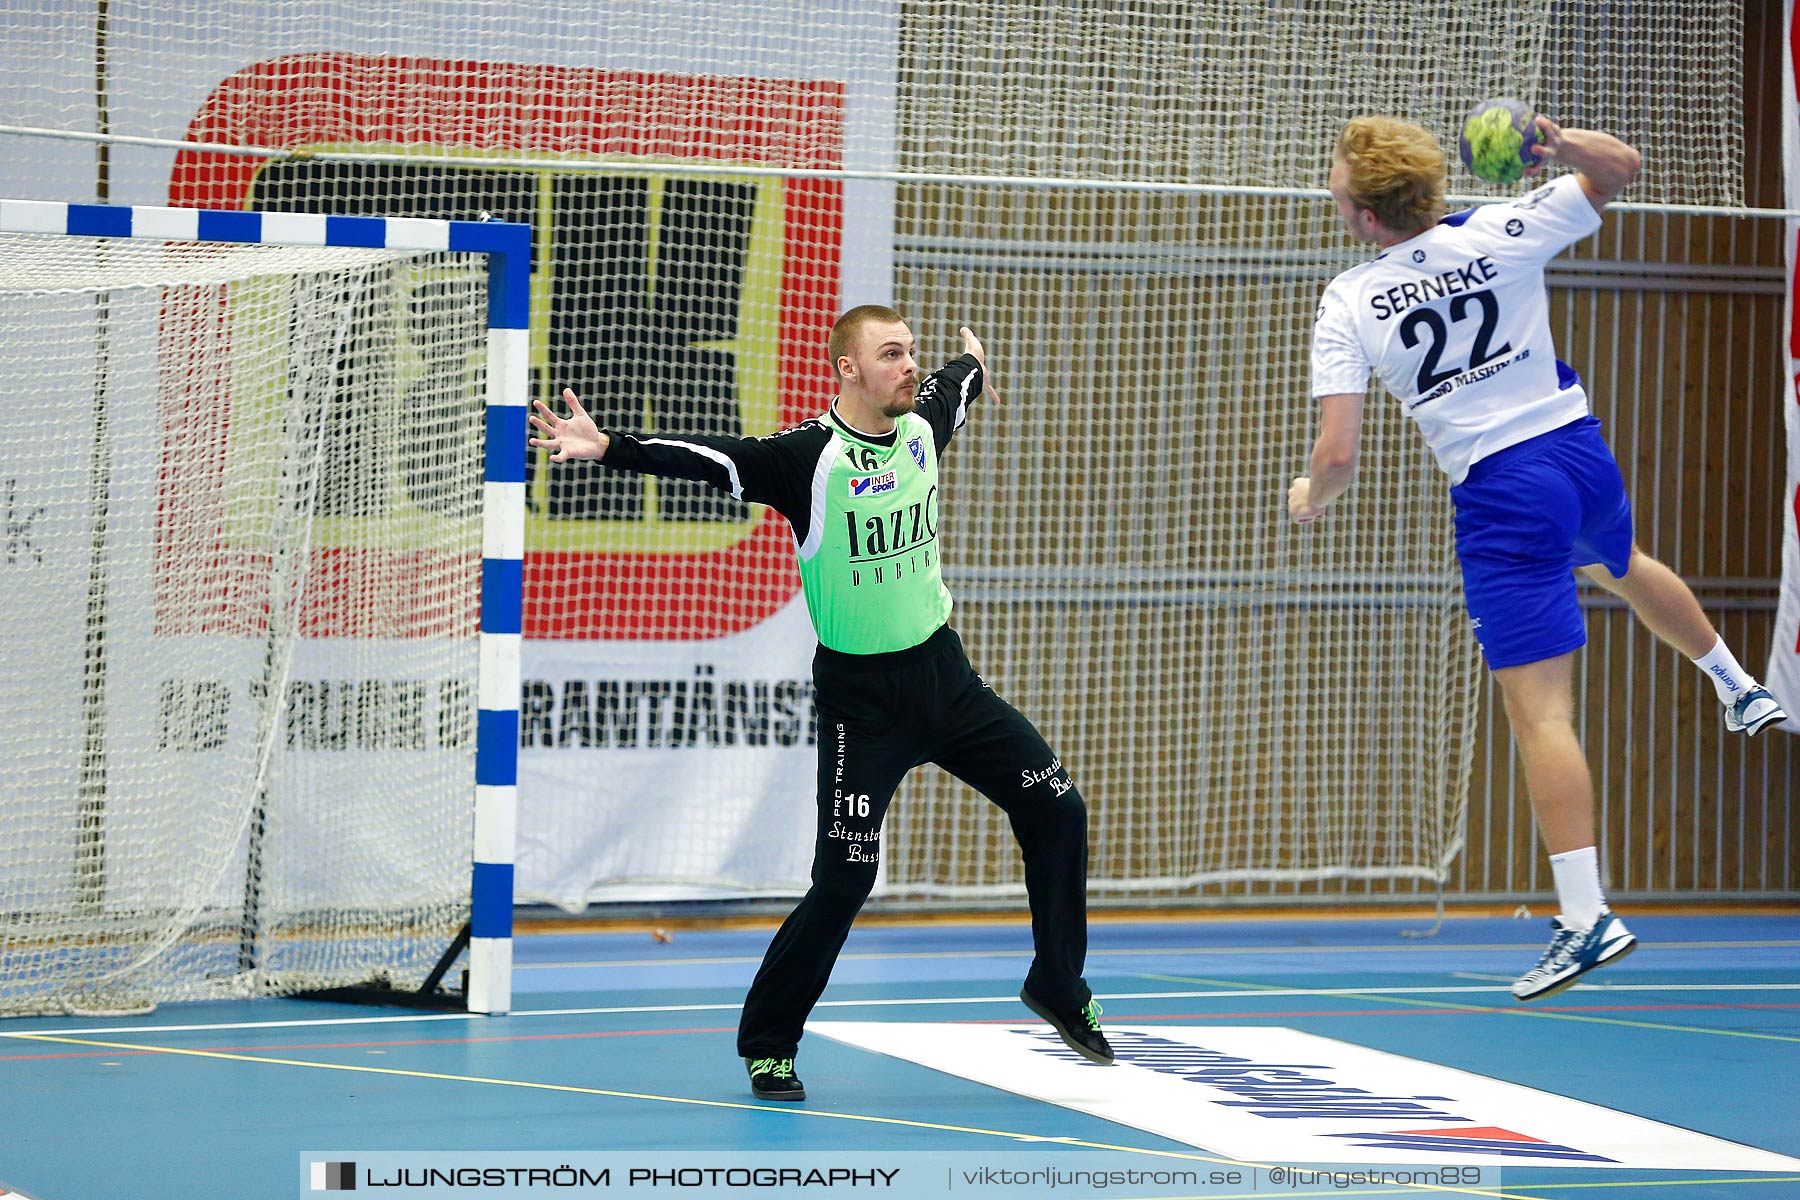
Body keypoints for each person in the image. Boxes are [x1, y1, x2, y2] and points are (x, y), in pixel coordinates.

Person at [529, 305, 1113, 1099]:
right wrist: (608, 448)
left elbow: (959, 383)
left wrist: (973, 358)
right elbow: (714, 457)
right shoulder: (808, 458)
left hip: (948, 682)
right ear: (847, 368)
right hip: (862, 703)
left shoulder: (921, 426)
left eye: (911, 352)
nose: (909, 366)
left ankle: (1057, 980)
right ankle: (769, 1041)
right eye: (890, 354)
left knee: (1059, 808)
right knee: (844, 881)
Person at [1291, 115, 1788, 1002]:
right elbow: (1624, 164)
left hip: (1502, 490)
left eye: (1338, 190)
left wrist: (1309, 498)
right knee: (1619, 558)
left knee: (1540, 716)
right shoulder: (1500, 230)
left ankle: (1584, 914)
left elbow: (1337, 456)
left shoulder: (1348, 300)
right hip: (1575, 449)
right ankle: (1736, 682)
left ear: (1367, 218)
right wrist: (1553, 144)